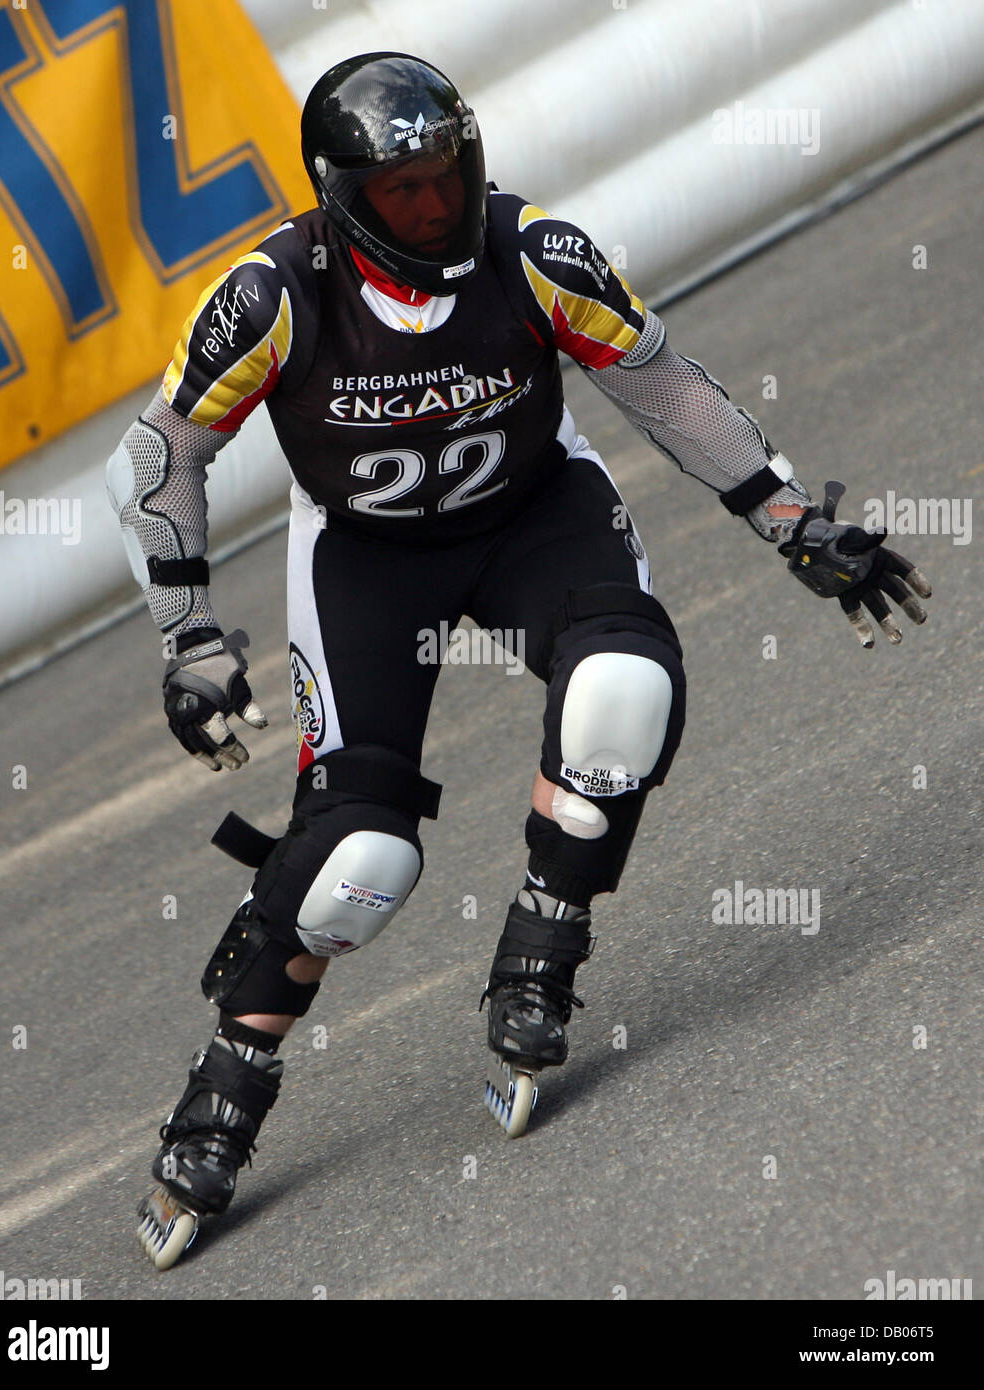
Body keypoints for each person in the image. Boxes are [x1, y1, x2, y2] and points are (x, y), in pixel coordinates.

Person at [108, 52, 931, 1268]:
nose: (435, 210)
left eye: (448, 179)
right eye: (403, 195)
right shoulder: (273, 291)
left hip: (536, 512)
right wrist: (185, 637)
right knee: (355, 859)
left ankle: (546, 935)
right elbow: (161, 450)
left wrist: (791, 519)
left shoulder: (536, 249)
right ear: (340, 194)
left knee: (623, 690)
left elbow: (658, 382)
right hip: (369, 559)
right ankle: (228, 1076)